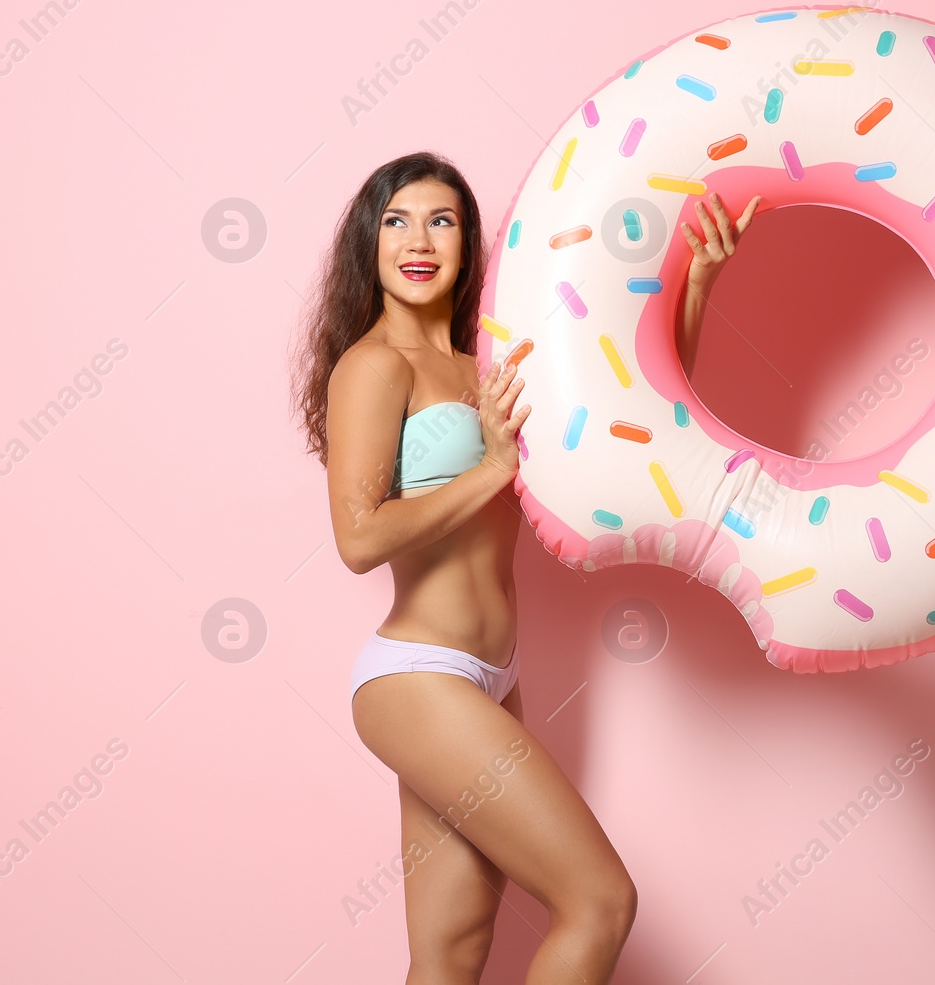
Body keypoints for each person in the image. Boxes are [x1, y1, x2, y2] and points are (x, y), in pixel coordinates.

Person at [290, 150, 757, 983]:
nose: (419, 239)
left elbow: (630, 417)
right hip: (419, 675)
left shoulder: (488, 364)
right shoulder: (375, 365)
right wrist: (489, 470)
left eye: (443, 220)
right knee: (599, 900)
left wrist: (697, 287)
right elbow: (358, 538)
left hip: (494, 678)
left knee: (452, 953)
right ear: (370, 243)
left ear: (470, 244)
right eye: (397, 220)